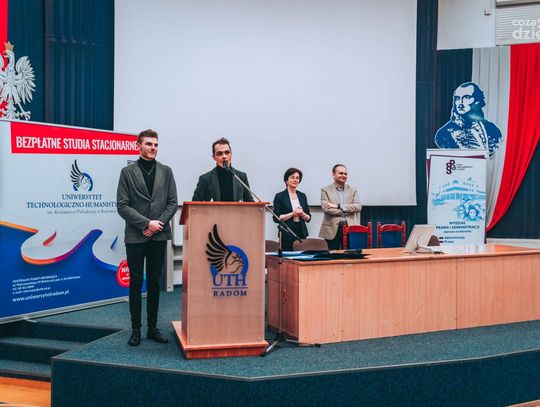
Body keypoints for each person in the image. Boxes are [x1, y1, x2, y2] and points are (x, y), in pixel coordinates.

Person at [116, 129, 178, 346]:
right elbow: (122, 205)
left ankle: (152, 328)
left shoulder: (166, 171)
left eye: (155, 144)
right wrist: (146, 223)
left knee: (153, 282)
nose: (153, 148)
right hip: (136, 236)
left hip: (158, 236)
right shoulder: (127, 172)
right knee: (135, 283)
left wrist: (156, 225)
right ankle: (136, 330)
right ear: (138, 146)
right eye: (149, 144)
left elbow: (172, 202)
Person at [435, 82, 502, 158]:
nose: (460, 103)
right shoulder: (443, 134)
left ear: (477, 101)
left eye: (466, 97)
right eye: (457, 98)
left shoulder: (492, 129)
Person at [192, 137, 254, 202]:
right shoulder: (205, 179)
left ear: (231, 154)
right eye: (220, 153)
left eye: (227, 152)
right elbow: (194, 205)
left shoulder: (241, 177)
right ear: (214, 157)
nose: (224, 156)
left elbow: (250, 203)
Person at [319, 164, 362, 250]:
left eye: (345, 174)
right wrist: (347, 211)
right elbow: (326, 209)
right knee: (333, 255)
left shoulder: (353, 190)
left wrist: (338, 206)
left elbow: (358, 207)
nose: (344, 175)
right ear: (333, 174)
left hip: (350, 227)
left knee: (350, 255)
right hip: (331, 229)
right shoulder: (325, 190)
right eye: (341, 173)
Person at [272, 168, 311, 251]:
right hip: (287, 232)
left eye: (297, 178)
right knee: (287, 256)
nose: (295, 180)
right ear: (286, 180)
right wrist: (293, 214)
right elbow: (276, 218)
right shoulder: (280, 196)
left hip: (301, 232)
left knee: (301, 256)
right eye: (292, 177)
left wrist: (302, 214)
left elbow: (308, 218)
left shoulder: (302, 196)